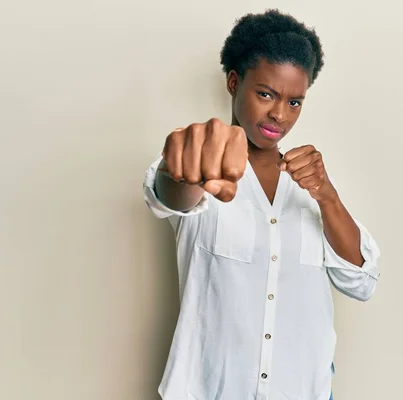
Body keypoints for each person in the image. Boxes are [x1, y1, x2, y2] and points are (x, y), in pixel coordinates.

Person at [143, 9, 381, 400]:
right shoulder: (203, 165)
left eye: (295, 102)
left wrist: (328, 197)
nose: (278, 114)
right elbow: (170, 194)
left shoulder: (312, 187)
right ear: (234, 83)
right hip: (209, 390)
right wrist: (184, 171)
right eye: (266, 94)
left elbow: (361, 281)